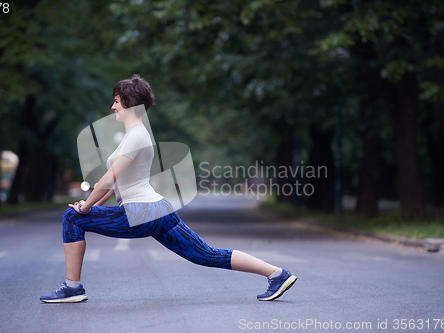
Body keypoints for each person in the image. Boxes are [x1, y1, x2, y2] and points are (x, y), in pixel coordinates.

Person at [40, 74, 297, 303]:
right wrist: (89, 206)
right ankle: (277, 274)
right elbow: (114, 184)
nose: (113, 106)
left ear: (130, 104)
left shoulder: (137, 135)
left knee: (72, 218)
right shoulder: (135, 136)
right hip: (158, 210)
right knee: (205, 254)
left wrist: (83, 208)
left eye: (117, 101)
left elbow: (108, 178)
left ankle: (73, 288)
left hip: (141, 212)